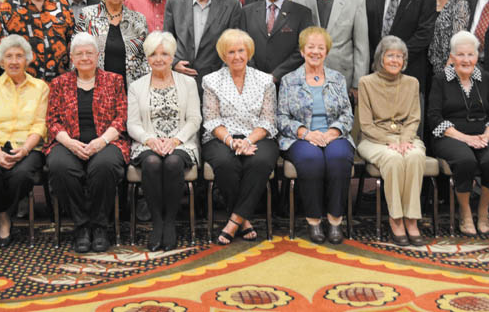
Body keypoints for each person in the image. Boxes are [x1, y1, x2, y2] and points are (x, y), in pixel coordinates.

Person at [45, 33, 129, 253]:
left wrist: (101, 142)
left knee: (104, 166)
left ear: (98, 55)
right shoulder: (59, 83)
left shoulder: (114, 80)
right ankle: (81, 226)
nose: (84, 57)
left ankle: (100, 226)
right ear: (71, 57)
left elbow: (121, 118)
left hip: (106, 141)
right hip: (68, 143)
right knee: (59, 166)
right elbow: (52, 121)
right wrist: (70, 143)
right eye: (79, 53)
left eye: (89, 53)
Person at [277, 27, 354, 244]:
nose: (315, 52)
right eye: (310, 47)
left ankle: (335, 220)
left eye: (320, 48)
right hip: (300, 137)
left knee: (338, 158)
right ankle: (313, 221)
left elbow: (347, 114)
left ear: (327, 52)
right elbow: (281, 117)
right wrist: (305, 133)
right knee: (311, 159)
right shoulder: (289, 80)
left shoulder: (338, 79)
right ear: (302, 51)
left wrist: (333, 132)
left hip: (334, 135)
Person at [202, 29, 279, 244]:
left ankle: (233, 221)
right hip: (221, 137)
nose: (237, 56)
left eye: (241, 51)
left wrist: (247, 141)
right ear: (223, 55)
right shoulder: (211, 81)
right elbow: (211, 119)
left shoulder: (265, 80)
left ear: (249, 52)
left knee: (260, 161)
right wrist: (231, 141)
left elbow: (268, 120)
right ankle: (244, 222)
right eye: (231, 52)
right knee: (227, 162)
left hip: (257, 136)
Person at [428, 31, 489, 236]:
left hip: (483, 134)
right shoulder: (440, 79)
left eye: (470, 54)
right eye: (460, 55)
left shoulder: (486, 78)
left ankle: (482, 211)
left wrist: (487, 136)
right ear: (452, 57)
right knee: (465, 161)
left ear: (477, 56)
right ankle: (465, 211)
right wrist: (465, 138)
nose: (466, 59)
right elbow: (434, 117)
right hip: (450, 135)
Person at [127, 31, 201, 251]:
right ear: (147, 58)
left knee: (173, 163)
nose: (159, 59)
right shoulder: (136, 86)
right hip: (146, 143)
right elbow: (132, 124)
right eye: (153, 54)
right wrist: (150, 140)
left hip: (182, 142)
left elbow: (194, 119)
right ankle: (156, 223)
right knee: (151, 163)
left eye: (164, 54)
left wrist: (175, 140)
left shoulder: (188, 83)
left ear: (172, 56)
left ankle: (169, 223)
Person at [0, 35, 49, 247]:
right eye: (9, 56)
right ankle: (5, 217)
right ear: (1, 61)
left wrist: (24, 150)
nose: (14, 61)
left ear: (27, 59)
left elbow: (40, 124)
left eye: (19, 56)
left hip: (28, 145)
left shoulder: (40, 87)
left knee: (22, 174)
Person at [357, 36, 426, 246]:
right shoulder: (366, 83)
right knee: (393, 159)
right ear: (381, 58)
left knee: (414, 156)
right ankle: (395, 219)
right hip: (373, 139)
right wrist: (389, 141)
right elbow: (366, 125)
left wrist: (405, 139)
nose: (395, 60)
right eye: (390, 55)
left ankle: (411, 219)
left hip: (407, 137)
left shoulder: (412, 83)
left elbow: (414, 118)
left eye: (399, 56)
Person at [292, 0, 369, 98]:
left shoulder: (356, 1)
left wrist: (357, 83)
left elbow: (361, 47)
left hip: (343, 79)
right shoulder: (299, 0)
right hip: (306, 80)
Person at [364, 0, 436, 92]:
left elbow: (424, 34)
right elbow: (364, 31)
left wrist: (394, 59)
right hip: (374, 73)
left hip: (408, 73)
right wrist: (378, 59)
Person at [164, 0, 242, 92]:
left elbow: (235, 44)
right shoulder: (174, 3)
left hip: (217, 81)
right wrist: (174, 63)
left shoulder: (231, 4)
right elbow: (166, 40)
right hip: (181, 79)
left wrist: (223, 74)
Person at [74, 0, 149, 89]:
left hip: (131, 88)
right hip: (94, 88)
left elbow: (146, 57)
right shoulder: (88, 15)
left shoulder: (138, 20)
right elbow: (76, 50)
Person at [240, 0, 313, 84]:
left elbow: (303, 49)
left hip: (289, 83)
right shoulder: (246, 12)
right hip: (252, 82)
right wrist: (256, 75)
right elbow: (242, 46)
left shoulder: (302, 13)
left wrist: (276, 75)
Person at [427, 0, 471, 77]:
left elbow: (458, 42)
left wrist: (448, 71)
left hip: (446, 69)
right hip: (422, 66)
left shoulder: (460, 4)